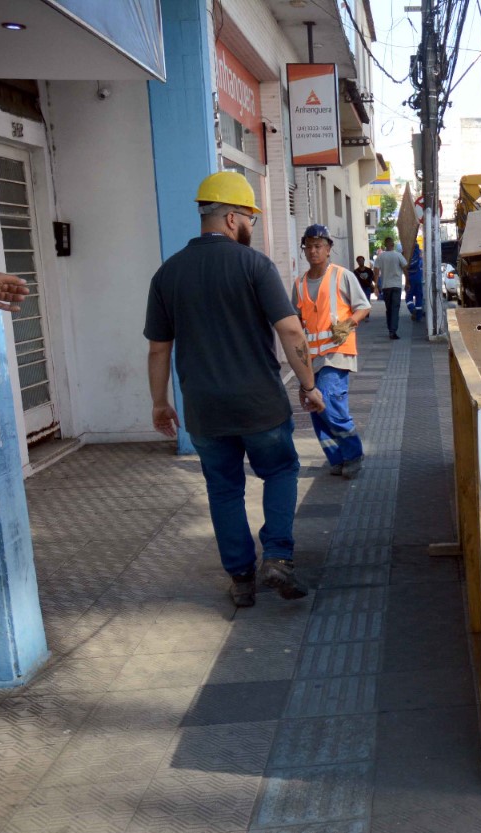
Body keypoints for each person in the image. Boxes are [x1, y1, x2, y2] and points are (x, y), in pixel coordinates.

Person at [144, 171, 323, 608]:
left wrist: (160, 403)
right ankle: (278, 557)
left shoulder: (166, 275)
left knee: (223, 489)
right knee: (280, 471)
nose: (251, 228)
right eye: (250, 219)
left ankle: (241, 579)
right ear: (230, 219)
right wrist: (309, 385)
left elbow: (158, 350)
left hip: (205, 410)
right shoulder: (254, 266)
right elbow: (291, 331)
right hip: (259, 402)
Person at [293, 224, 372, 477]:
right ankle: (336, 458)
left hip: (337, 354)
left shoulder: (342, 275)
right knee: (317, 411)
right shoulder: (300, 284)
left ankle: (353, 454)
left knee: (327, 400)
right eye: (309, 246)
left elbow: (363, 307)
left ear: (328, 249)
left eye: (319, 246)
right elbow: (294, 325)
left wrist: (349, 323)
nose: (313, 251)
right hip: (312, 358)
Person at [373, 236, 408, 339]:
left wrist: (376, 286)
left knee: (389, 309)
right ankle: (392, 331)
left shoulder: (381, 257)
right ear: (393, 245)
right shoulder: (398, 256)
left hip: (386, 286)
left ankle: (390, 329)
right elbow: (405, 268)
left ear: (385, 245)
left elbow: (376, 271)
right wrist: (407, 282)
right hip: (396, 286)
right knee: (395, 309)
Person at [405, 246, 424, 322]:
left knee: (408, 298)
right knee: (419, 297)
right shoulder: (419, 256)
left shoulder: (407, 254)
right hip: (418, 278)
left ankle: (412, 309)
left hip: (410, 278)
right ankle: (418, 317)